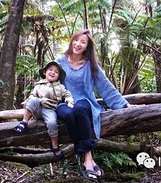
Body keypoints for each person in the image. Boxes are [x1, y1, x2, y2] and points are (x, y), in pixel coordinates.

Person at [56, 29, 131, 182]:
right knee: (69, 113)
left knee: (79, 109)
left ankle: (88, 158)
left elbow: (106, 87)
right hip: (64, 102)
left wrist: (124, 105)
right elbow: (48, 82)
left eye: (82, 42)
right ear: (71, 40)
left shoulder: (91, 65)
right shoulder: (60, 61)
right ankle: (85, 155)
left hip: (84, 101)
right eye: (76, 40)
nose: (78, 44)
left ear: (87, 47)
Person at [13, 61, 74, 161]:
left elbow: (68, 95)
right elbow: (32, 95)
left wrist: (69, 102)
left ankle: (54, 145)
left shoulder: (61, 87)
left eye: (56, 72)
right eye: (50, 70)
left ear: (58, 76)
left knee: (52, 123)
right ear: (45, 72)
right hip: (38, 107)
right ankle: (24, 122)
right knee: (33, 100)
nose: (52, 72)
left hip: (50, 109)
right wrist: (26, 101)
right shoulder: (39, 85)